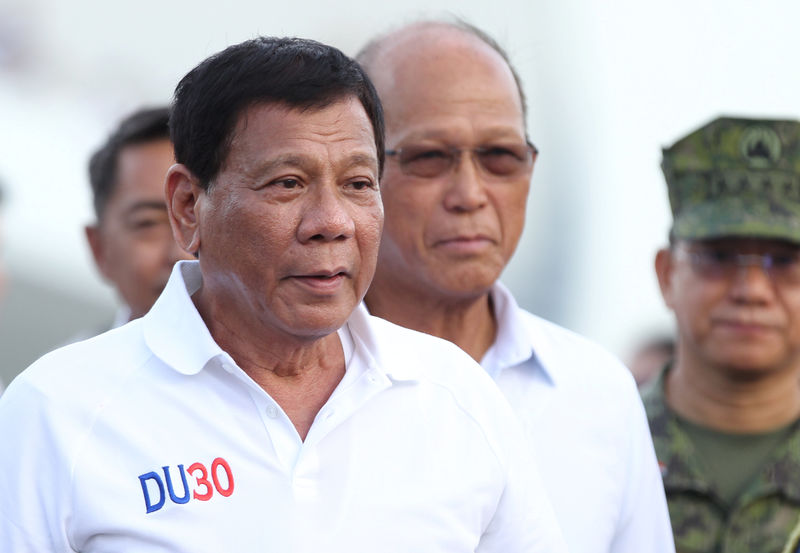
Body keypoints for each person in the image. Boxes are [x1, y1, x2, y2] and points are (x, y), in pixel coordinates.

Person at [0, 36, 566, 552]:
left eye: (357, 184)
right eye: (287, 183)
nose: (331, 222)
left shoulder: (455, 397)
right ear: (188, 207)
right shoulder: (59, 411)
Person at [357, 20, 674, 553]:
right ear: (355, 174)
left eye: (500, 157)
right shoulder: (293, 389)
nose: (470, 194)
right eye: (430, 157)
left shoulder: (598, 394)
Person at [644, 116, 800, 553]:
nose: (751, 290)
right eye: (718, 257)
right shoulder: (594, 451)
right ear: (667, 273)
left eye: (786, 262)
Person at [85, 106, 192, 326]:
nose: (183, 254)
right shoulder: (71, 361)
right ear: (99, 248)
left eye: (199, 216)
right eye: (149, 223)